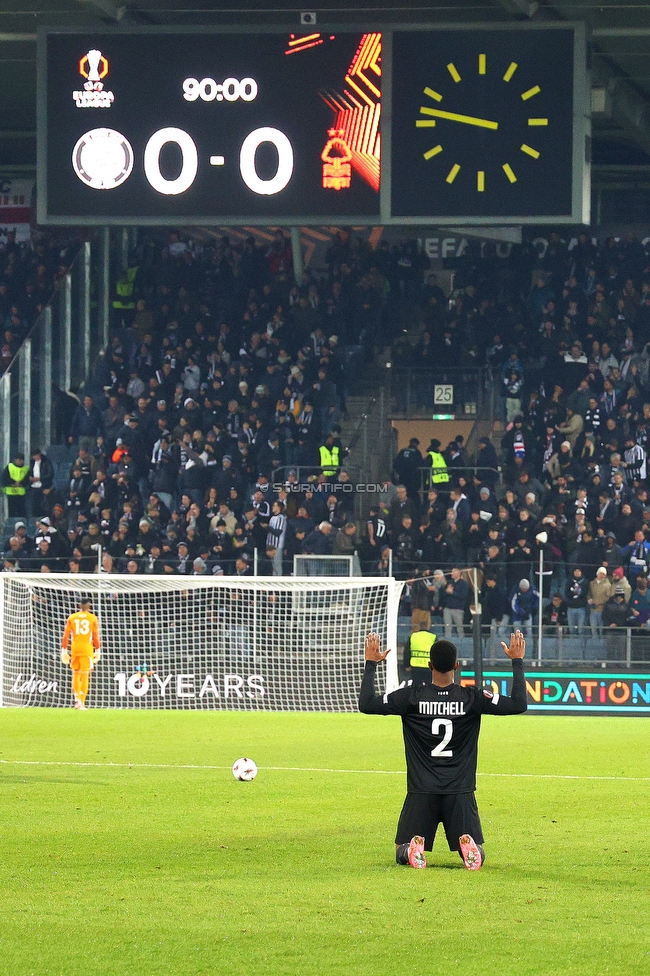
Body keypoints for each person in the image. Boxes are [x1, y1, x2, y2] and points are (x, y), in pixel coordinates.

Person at [359, 629, 527, 870]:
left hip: (421, 790)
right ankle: (470, 849)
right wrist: (517, 661)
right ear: (456, 666)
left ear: (430, 665)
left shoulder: (411, 696)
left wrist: (371, 664)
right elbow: (518, 703)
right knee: (476, 849)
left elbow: (367, 704)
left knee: (400, 849)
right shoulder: (472, 698)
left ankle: (411, 851)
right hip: (460, 791)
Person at [60, 597, 101, 710]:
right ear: (89, 607)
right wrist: (98, 650)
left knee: (76, 674)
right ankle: (82, 702)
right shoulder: (92, 618)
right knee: (85, 675)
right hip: (86, 649)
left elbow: (66, 636)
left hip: (75, 649)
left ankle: (76, 700)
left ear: (79, 606)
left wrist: (63, 650)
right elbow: (95, 636)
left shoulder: (72, 617)